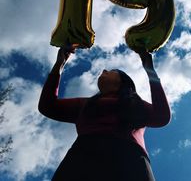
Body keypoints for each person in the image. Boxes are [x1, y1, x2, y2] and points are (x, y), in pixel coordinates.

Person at [38, 46, 171, 181]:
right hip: (83, 156)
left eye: (112, 71)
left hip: (131, 158)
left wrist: (150, 70)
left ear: (124, 82)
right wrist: (59, 64)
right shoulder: (86, 104)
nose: (104, 70)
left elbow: (162, 117)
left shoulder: (136, 104)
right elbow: (47, 106)